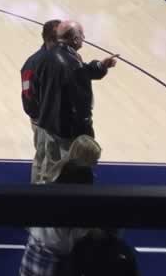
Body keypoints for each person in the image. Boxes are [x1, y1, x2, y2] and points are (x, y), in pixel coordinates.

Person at [7, 135, 104, 276]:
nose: (98, 166)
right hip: (52, 257)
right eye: (96, 162)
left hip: (35, 249)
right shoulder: (78, 190)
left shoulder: (51, 177)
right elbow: (69, 237)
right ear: (86, 161)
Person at [34, 22, 116, 171]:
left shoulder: (46, 56)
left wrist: (101, 66)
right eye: (82, 36)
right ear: (76, 39)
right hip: (69, 130)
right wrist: (86, 129)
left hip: (49, 123)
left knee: (52, 166)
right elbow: (80, 103)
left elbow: (84, 70)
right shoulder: (72, 64)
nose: (84, 38)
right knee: (75, 168)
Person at [22, 18, 65, 183]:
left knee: (53, 158)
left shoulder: (62, 57)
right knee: (44, 157)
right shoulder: (34, 62)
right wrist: (38, 116)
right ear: (50, 40)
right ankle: (39, 193)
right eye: (62, 38)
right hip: (43, 120)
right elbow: (27, 93)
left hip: (57, 118)